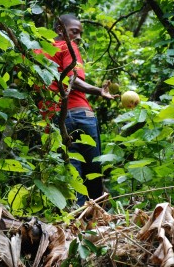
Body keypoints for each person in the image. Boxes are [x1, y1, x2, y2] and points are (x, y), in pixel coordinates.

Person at [35, 14, 118, 206]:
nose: (78, 37)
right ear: (59, 30)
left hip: (54, 119)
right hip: (80, 114)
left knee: (72, 170)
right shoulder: (67, 46)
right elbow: (73, 79)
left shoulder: (34, 52)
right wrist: (98, 90)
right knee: (93, 170)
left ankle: (78, 218)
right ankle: (97, 217)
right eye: (74, 31)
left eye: (80, 33)